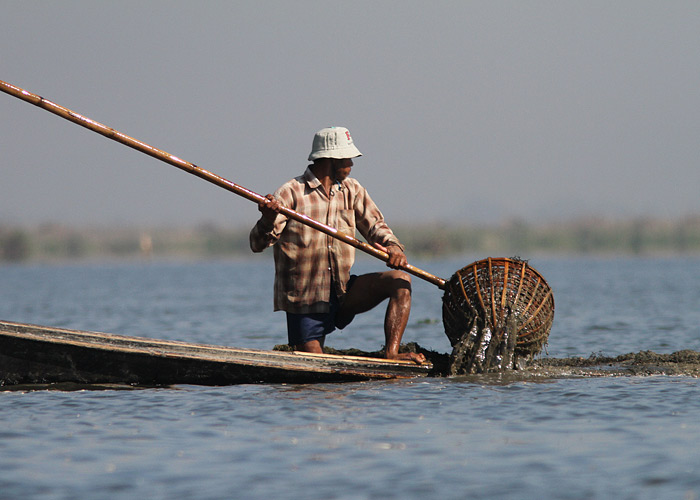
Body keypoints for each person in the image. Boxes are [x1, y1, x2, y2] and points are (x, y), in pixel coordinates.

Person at [250, 126, 426, 364]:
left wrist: (393, 246)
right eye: (347, 159)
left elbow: (376, 227)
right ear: (330, 159)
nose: (351, 164)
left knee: (400, 281)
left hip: (343, 291)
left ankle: (392, 353)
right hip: (306, 300)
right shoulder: (291, 193)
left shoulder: (352, 190)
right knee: (315, 369)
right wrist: (268, 218)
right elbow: (257, 243)